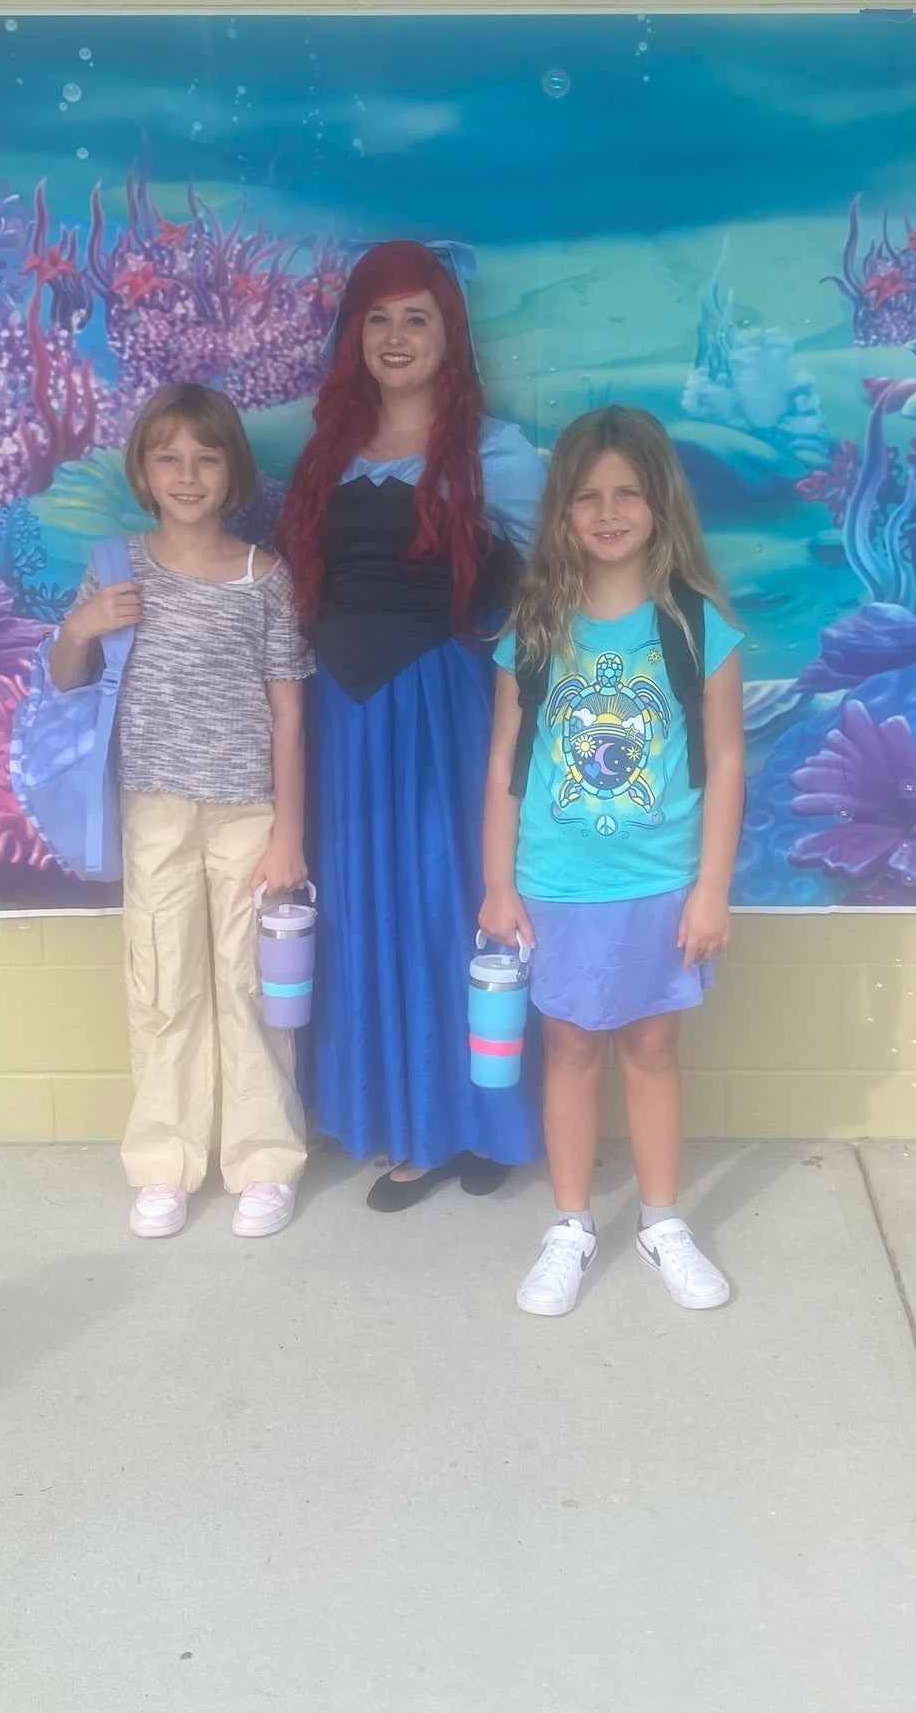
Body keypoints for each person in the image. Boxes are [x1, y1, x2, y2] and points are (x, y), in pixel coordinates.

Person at [279, 241, 546, 1209]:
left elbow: (557, 576)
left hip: (443, 713)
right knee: (365, 915)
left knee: (451, 910)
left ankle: (478, 1125)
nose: (395, 337)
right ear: (354, 334)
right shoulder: (326, 453)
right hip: (341, 722)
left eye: (417, 318)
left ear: (449, 335)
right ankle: (407, 1123)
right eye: (377, 318)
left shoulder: (495, 454)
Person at [480, 405, 745, 1316]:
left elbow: (726, 761)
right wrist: (498, 885)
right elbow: (505, 766)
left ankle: (662, 1222)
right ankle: (570, 1225)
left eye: (627, 493)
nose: (607, 512)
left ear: (660, 505)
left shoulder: (698, 628)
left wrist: (712, 889)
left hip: (663, 884)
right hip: (557, 887)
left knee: (654, 1050)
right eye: (587, 496)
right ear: (561, 511)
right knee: (568, 1050)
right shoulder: (534, 631)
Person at [50, 383, 312, 1241]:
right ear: (144, 470)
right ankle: (164, 1162)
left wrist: (288, 834)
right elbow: (66, 682)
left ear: (233, 471)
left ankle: (264, 1161)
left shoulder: (265, 578)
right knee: (164, 984)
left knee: (249, 986)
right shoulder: (117, 568)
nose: (188, 474)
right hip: (154, 808)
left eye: (206, 457)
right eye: (169, 458)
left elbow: (288, 715)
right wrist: (80, 627)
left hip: (248, 815)